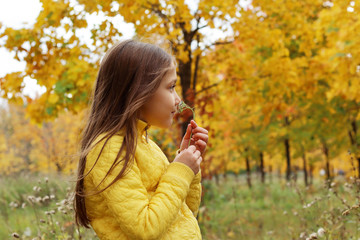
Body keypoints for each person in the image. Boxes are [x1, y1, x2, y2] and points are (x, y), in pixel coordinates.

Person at [73, 39, 209, 240]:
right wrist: (180, 171)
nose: (179, 100)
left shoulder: (146, 145)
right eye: (171, 87)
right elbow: (144, 228)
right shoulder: (109, 148)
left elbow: (183, 214)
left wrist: (190, 166)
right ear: (139, 91)